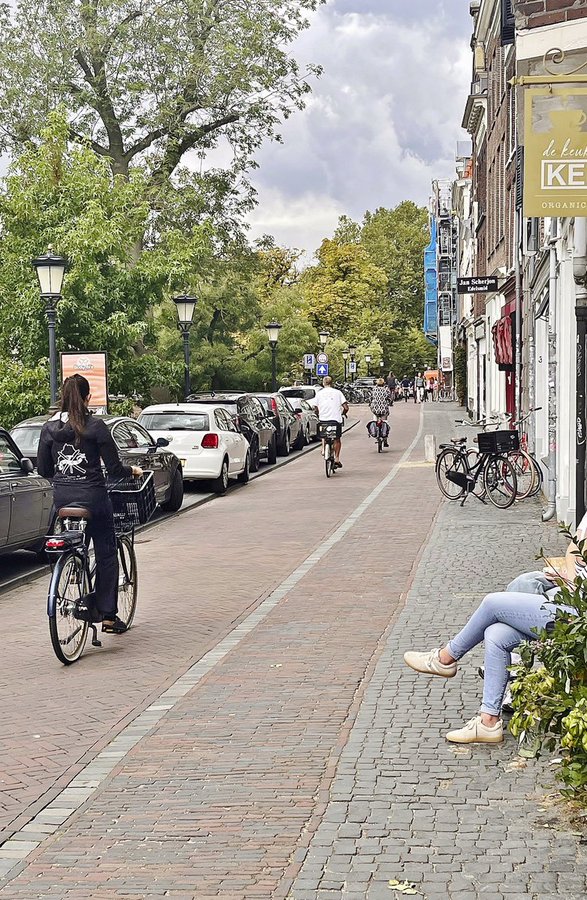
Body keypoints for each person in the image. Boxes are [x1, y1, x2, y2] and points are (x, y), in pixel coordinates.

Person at [404, 517, 587, 745]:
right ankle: (488, 722)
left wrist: (576, 586)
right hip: (565, 597)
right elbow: (573, 547)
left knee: (493, 604)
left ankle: (445, 658)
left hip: (577, 616)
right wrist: (569, 576)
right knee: (496, 634)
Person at [37, 374, 143, 634]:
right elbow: (115, 469)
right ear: (87, 398)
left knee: (73, 537)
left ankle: (73, 566)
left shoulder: (48, 428)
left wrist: (65, 479)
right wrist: (133, 471)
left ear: (62, 397)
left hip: (62, 498)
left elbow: (43, 469)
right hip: (94, 497)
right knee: (107, 552)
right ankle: (108, 616)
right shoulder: (96, 426)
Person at [315, 375, 349, 468]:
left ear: (323, 383)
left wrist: (319, 414)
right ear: (331, 383)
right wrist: (343, 413)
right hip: (335, 420)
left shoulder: (319, 393)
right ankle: (337, 458)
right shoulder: (338, 393)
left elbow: (315, 408)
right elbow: (346, 407)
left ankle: (323, 449)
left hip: (323, 419)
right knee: (337, 439)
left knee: (323, 434)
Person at [369, 378, 391, 447]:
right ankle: (385, 440)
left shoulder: (374, 389)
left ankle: (375, 432)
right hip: (383, 408)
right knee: (385, 422)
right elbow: (389, 397)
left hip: (375, 409)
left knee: (375, 420)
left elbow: (371, 398)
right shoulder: (386, 390)